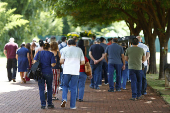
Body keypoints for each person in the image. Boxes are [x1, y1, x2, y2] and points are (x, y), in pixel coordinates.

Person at [60, 39, 85, 109]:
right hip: (75, 71)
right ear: (75, 44)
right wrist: (77, 63)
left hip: (66, 71)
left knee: (65, 86)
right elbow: (83, 62)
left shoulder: (65, 50)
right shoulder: (79, 50)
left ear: (68, 44)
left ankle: (64, 99)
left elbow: (61, 61)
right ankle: (72, 106)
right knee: (74, 88)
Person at [34, 43, 56, 109]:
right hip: (48, 72)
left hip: (40, 73)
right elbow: (52, 64)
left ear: (43, 47)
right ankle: (49, 104)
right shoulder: (51, 54)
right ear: (49, 47)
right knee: (49, 88)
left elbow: (35, 61)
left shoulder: (39, 53)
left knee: (41, 89)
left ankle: (43, 104)